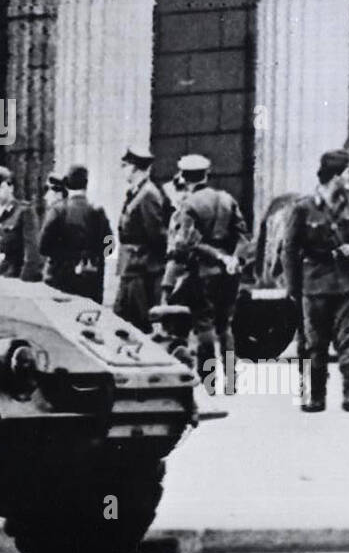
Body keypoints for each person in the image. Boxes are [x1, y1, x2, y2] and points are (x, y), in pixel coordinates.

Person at [283, 149, 349, 413]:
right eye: (345, 174)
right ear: (334, 176)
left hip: (347, 282)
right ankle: (317, 397)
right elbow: (289, 248)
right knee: (315, 343)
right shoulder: (303, 206)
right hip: (315, 282)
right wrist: (292, 287)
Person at [164, 154, 249, 394]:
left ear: (183, 177)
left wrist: (214, 256)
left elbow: (185, 244)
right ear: (206, 174)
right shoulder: (226, 199)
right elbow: (243, 236)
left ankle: (210, 381)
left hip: (202, 272)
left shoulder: (189, 205)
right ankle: (231, 381)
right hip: (229, 272)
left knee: (204, 325)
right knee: (226, 326)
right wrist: (234, 258)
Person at [113, 146, 171, 331]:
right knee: (123, 322)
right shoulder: (137, 192)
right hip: (132, 267)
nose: (123, 169)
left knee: (137, 323)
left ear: (135, 167)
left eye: (125, 165)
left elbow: (156, 234)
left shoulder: (147, 194)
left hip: (141, 269)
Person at [39, 164, 112, 302]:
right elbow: (109, 244)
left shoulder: (58, 210)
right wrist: (94, 258)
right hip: (90, 281)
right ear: (86, 184)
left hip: (61, 280)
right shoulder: (97, 210)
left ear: (67, 184)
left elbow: (43, 247)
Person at [0, 166, 40, 280]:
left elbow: (32, 253)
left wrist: (24, 281)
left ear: (11, 187)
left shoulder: (24, 211)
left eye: (0, 187)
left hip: (15, 279)